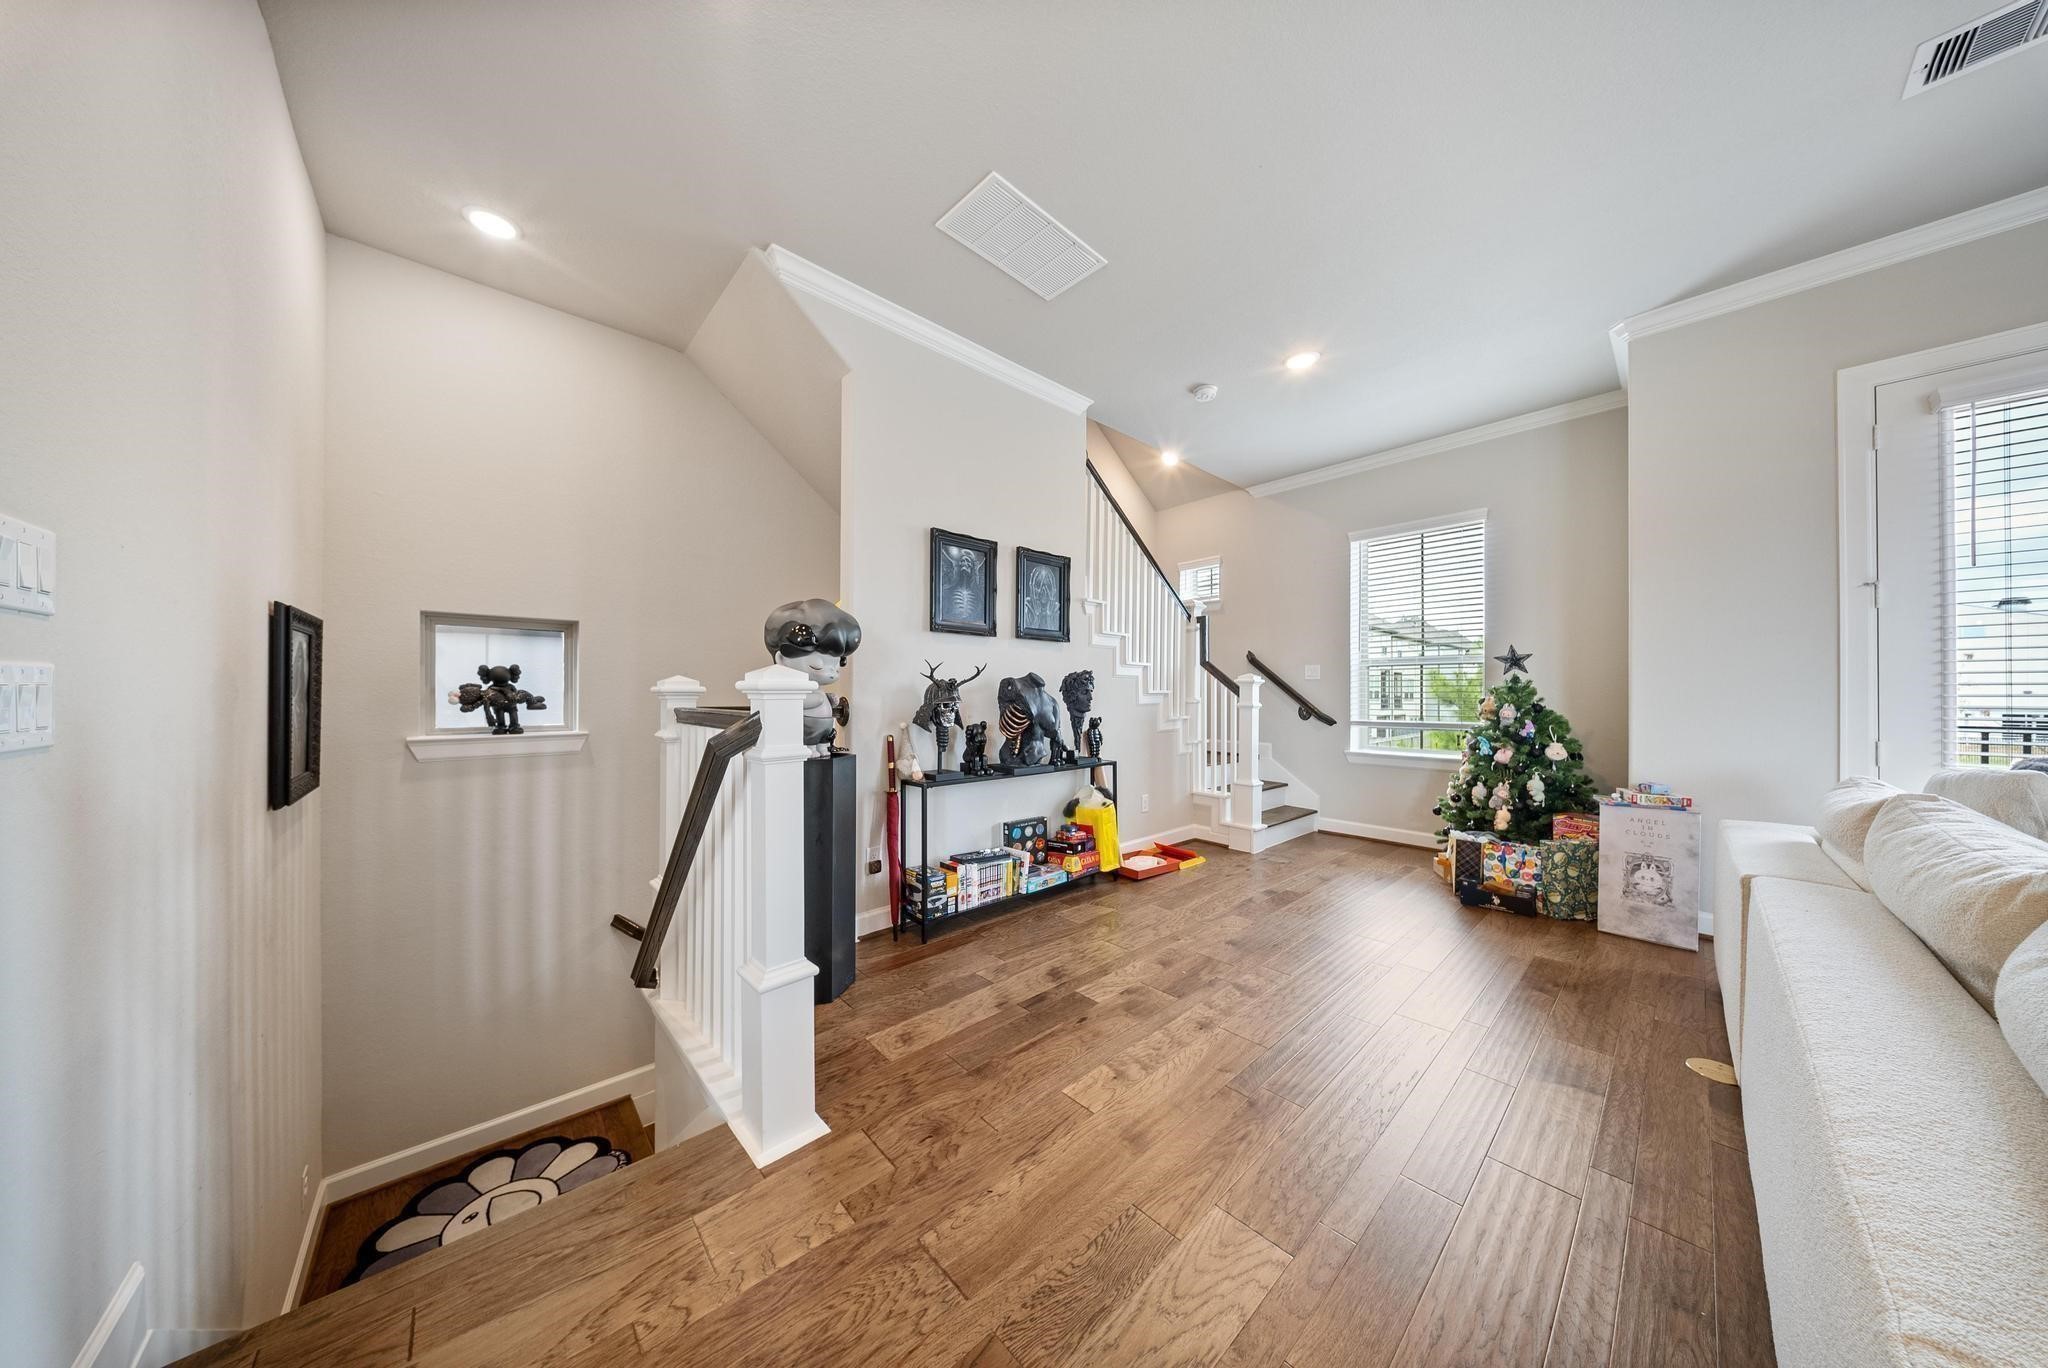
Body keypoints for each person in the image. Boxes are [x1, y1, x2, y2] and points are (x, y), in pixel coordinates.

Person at [763, 598, 862, 753]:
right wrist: (819, 699)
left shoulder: (817, 689)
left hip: (824, 730)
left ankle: (824, 746)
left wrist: (827, 698)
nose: (831, 672)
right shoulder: (788, 691)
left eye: (837, 666)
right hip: (804, 732)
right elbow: (798, 703)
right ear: (782, 659)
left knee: (823, 749)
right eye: (818, 665)